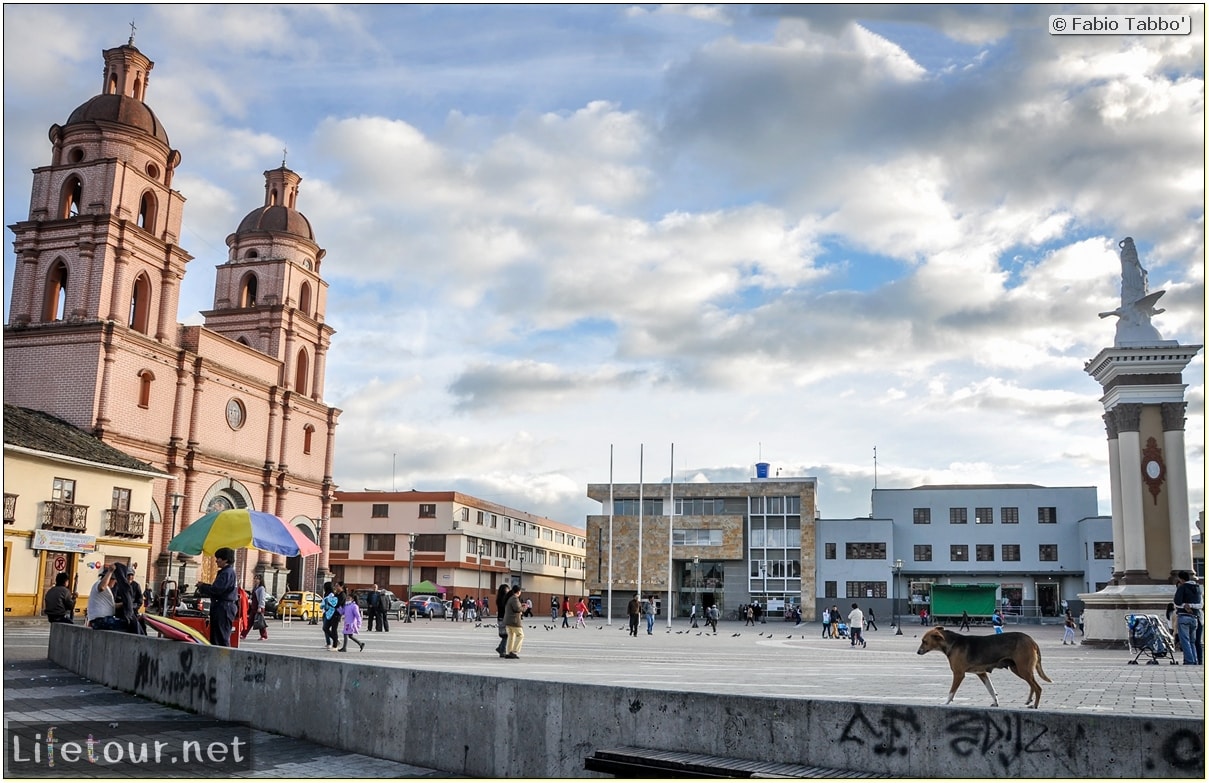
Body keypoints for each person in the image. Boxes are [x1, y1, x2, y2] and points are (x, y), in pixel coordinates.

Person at [196, 548, 239, 646]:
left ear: (225, 560)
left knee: (220, 637)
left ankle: (222, 658)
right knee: (218, 635)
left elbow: (217, 590)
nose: (216, 560)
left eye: (218, 558)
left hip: (224, 607)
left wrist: (203, 587)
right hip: (225, 606)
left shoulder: (227, 573)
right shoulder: (228, 572)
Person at [1172, 570, 1202, 665]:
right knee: (1193, 641)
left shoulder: (1183, 587)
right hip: (1195, 617)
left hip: (1184, 617)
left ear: (1181, 579)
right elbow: (1200, 604)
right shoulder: (1198, 588)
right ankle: (1195, 659)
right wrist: (1191, 606)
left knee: (1185, 640)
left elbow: (1177, 602)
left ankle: (1189, 660)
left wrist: (1185, 605)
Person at [86, 564, 124, 630]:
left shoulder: (107, 590)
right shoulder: (99, 584)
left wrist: (123, 604)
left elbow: (111, 605)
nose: (115, 582)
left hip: (103, 619)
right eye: (114, 580)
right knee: (125, 626)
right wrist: (110, 572)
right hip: (100, 620)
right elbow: (102, 587)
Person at [242, 575, 269, 641]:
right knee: (250, 621)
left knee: (260, 622)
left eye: (257, 579)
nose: (255, 580)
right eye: (255, 578)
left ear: (260, 580)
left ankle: (264, 636)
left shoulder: (261, 588)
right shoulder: (255, 588)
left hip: (259, 607)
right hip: (254, 607)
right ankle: (243, 634)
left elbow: (262, 598)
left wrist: (260, 607)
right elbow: (253, 597)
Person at [504, 585, 524, 659]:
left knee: (511, 636)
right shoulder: (515, 598)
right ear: (518, 592)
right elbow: (517, 609)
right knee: (520, 635)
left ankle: (509, 651)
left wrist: (520, 606)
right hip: (514, 621)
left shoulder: (510, 598)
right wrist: (524, 608)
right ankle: (514, 651)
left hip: (508, 621)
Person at [321, 582, 341, 650]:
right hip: (325, 612)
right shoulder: (326, 594)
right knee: (325, 628)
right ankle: (329, 642)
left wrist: (326, 604)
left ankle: (334, 641)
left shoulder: (331, 594)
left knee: (326, 628)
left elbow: (332, 603)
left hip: (329, 613)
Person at [494, 584, 510, 658]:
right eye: (507, 589)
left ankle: (500, 648)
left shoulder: (499, 599)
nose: (508, 590)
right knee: (506, 635)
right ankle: (502, 650)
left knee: (505, 635)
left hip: (500, 618)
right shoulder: (504, 599)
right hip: (504, 618)